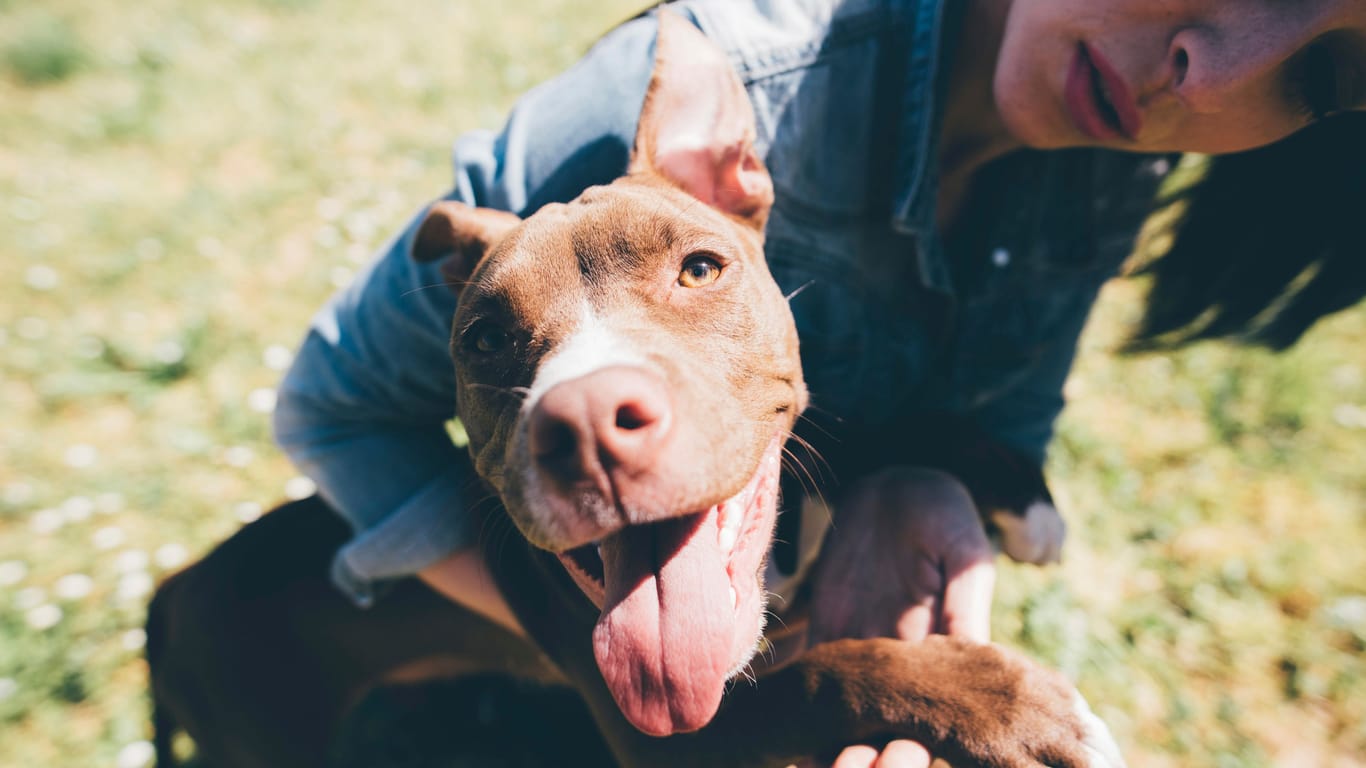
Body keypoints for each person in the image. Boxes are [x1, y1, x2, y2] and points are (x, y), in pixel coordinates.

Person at [272, 0, 1366, 764]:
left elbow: (999, 404)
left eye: (1323, 75)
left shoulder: (1117, 145)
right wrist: (582, 638)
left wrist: (925, 480)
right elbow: (332, 410)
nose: (1212, 74)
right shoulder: (681, 108)